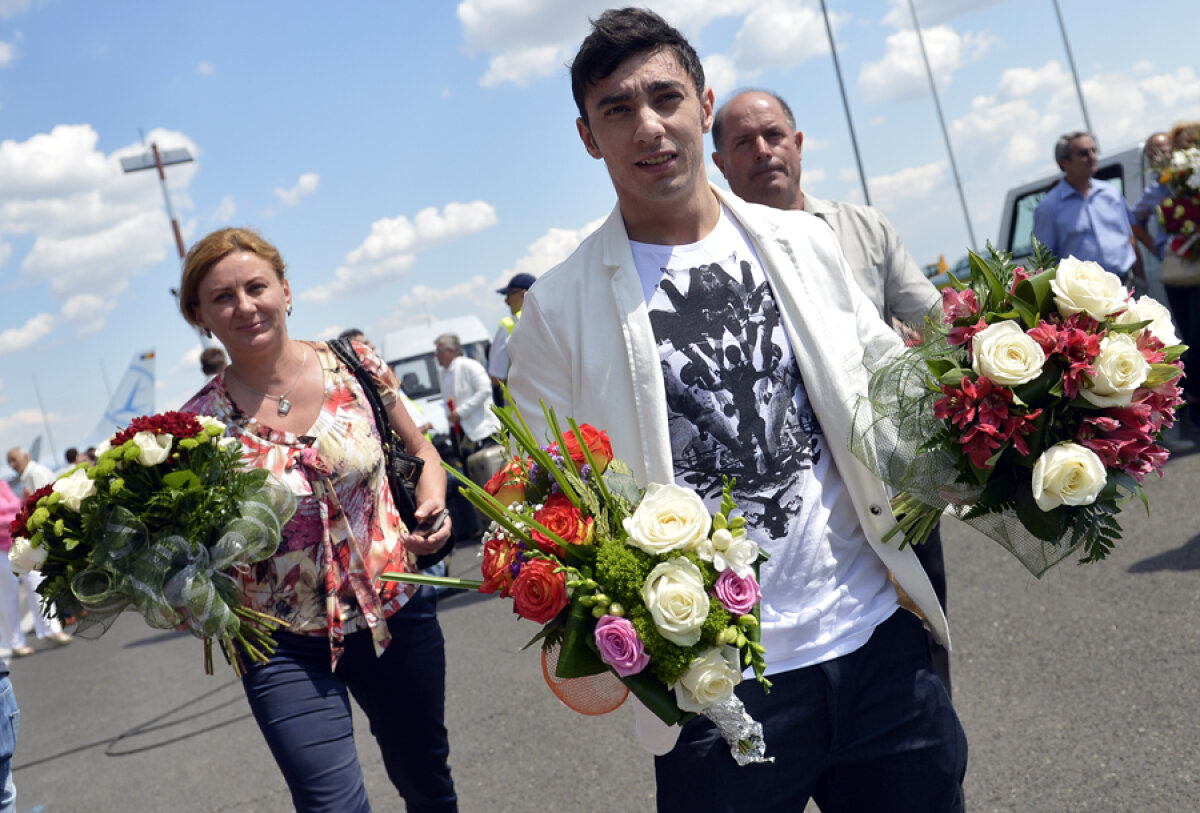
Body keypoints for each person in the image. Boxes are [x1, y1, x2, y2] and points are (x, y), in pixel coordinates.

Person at [507, 9, 965, 812]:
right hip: (714, 686)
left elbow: (896, 383)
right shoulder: (558, 308)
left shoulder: (800, 243)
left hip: (875, 643)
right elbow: (542, 500)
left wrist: (1012, 401)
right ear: (589, 136)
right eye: (618, 109)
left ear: (703, 104)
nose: (649, 127)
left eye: (665, 97)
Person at [178, 227, 457, 813]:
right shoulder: (194, 429)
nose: (245, 306)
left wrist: (435, 504)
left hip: (396, 612)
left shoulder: (355, 364)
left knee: (424, 780)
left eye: (257, 287)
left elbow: (422, 450)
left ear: (285, 288)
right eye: (223, 297)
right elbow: (192, 553)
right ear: (199, 314)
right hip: (282, 644)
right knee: (330, 806)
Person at [710, 88, 954, 693]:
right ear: (719, 162)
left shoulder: (863, 228)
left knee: (920, 666)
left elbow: (938, 328)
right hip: (791, 515)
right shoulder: (712, 258)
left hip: (892, 482)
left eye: (773, 135)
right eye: (742, 142)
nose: (762, 151)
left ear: (798, 144)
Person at [1033, 131, 1144, 290]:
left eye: (1094, 150)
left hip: (1128, 284)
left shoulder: (1111, 193)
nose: (1092, 157)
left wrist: (1141, 278)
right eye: (1084, 153)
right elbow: (1043, 262)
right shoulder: (1048, 207)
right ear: (1064, 162)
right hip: (1087, 296)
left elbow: (1130, 237)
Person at [4, 449, 72, 652]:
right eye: (9, 462)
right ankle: (15, 643)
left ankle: (51, 628)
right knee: (8, 595)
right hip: (6, 544)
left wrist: (22, 506)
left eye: (14, 460)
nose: (12, 465)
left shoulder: (16, 480)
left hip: (18, 541)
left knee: (36, 582)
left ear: (26, 457)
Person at [434, 334, 500, 460]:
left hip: (481, 430)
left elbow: (485, 390)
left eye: (439, 351)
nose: (436, 355)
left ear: (451, 351)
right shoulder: (442, 374)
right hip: (460, 432)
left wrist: (460, 412)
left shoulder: (470, 366)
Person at [487, 273, 535, 385]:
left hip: (522, 399)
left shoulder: (508, 324)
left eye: (509, 295)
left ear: (524, 294)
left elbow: (496, 377)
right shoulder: (554, 318)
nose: (506, 301)